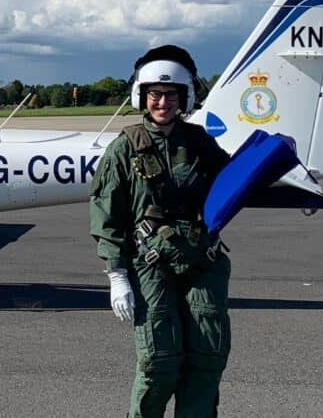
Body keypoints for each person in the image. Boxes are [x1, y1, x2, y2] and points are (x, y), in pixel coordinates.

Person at [89, 44, 233, 418]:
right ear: (142, 96)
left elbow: (234, 182)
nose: (163, 102)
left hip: (203, 258)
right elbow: (107, 213)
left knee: (207, 359)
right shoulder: (124, 149)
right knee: (159, 362)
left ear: (184, 97)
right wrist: (116, 275)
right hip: (150, 262)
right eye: (155, 94)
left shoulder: (201, 143)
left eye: (171, 95)